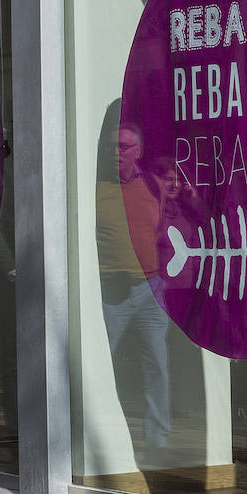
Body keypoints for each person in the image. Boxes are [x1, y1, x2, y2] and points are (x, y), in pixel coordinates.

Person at [97, 122, 173, 455]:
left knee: (155, 363)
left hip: (150, 289)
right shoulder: (94, 188)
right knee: (99, 363)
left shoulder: (155, 186)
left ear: (138, 151)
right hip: (109, 292)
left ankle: (157, 440)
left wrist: (167, 279)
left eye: (125, 146)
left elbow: (168, 231)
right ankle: (97, 433)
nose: (117, 152)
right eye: (113, 146)